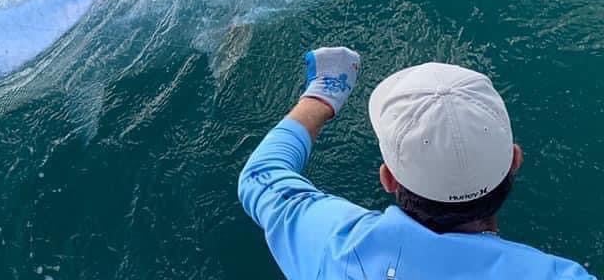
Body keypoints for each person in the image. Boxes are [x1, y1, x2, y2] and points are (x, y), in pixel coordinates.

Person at [239, 47, 596, 278]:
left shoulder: (340, 248)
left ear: (388, 179)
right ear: (515, 160)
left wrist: (323, 94)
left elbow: (261, 177)